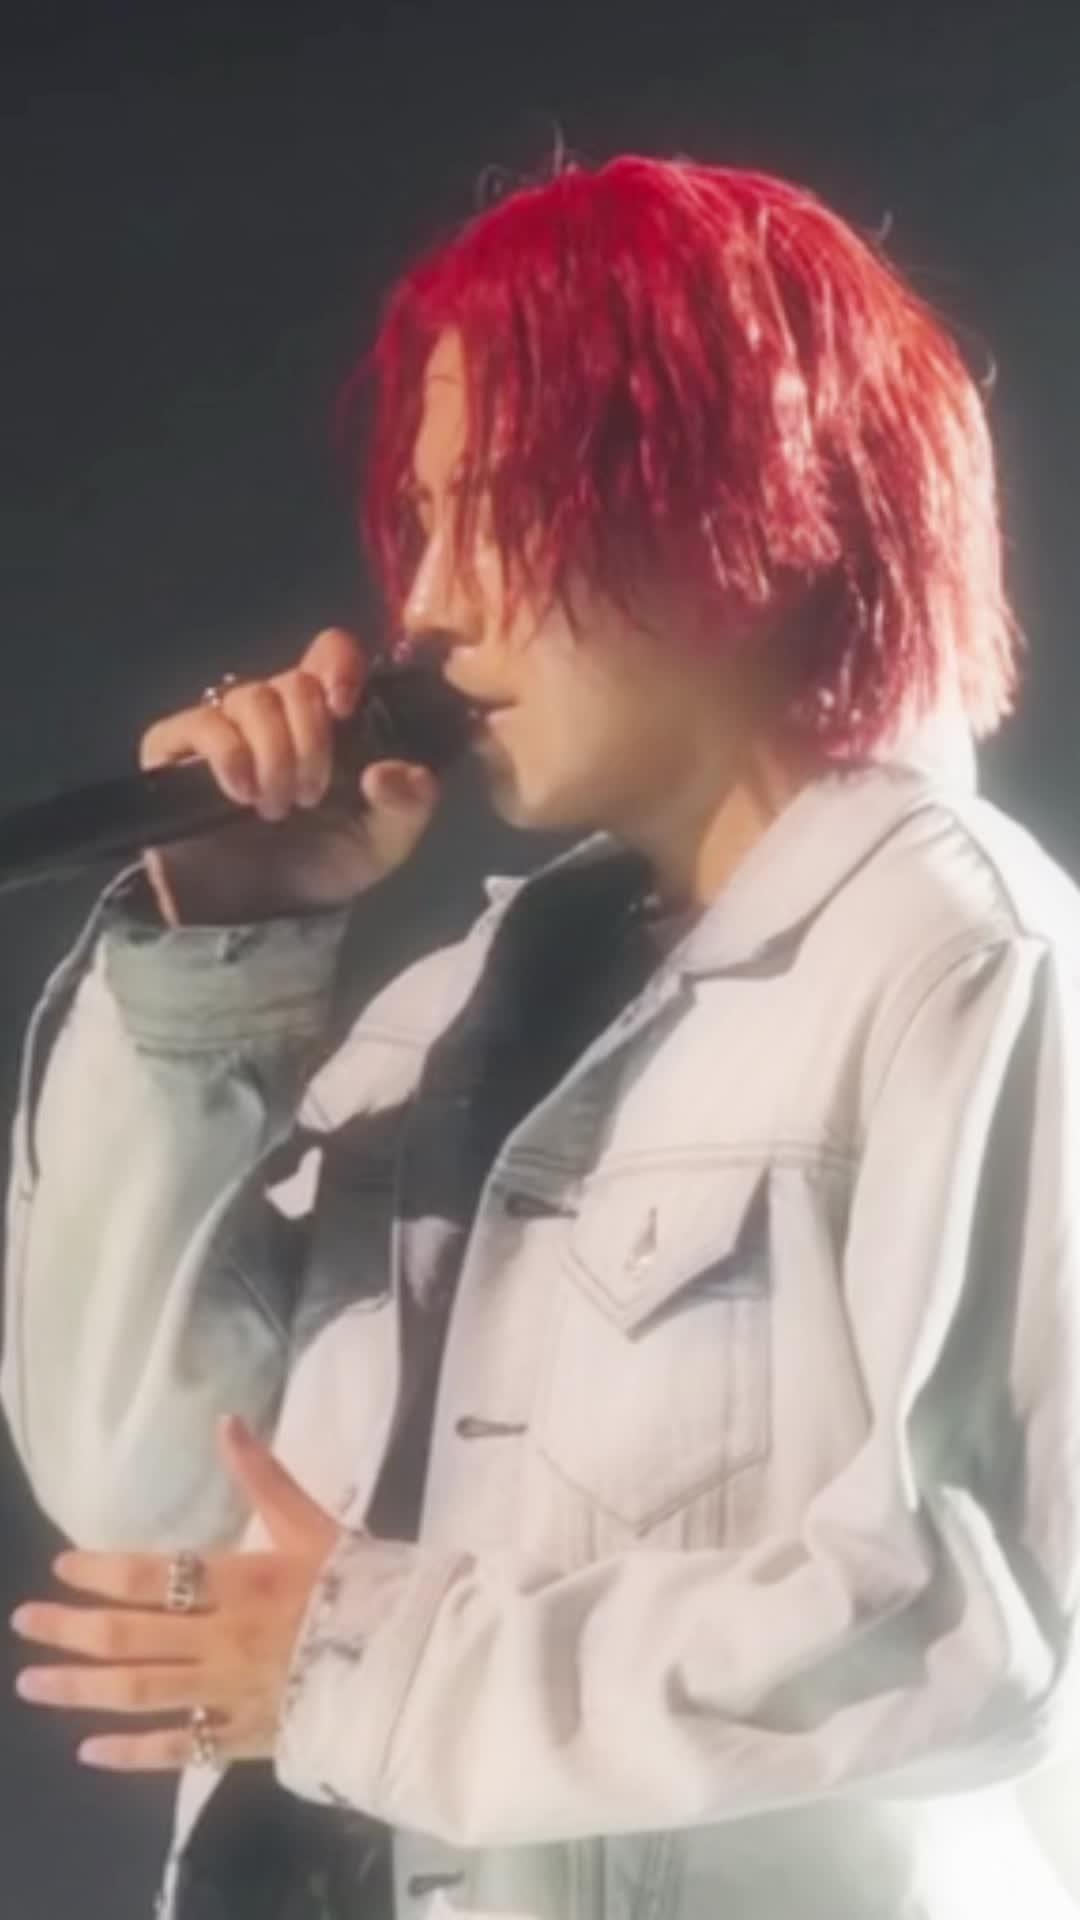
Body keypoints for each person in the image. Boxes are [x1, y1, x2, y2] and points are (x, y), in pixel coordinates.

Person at [4, 154, 1080, 1920]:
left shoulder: (958, 957)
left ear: (754, 497)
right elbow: (144, 1489)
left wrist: (372, 1671)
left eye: (499, 508)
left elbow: (982, 1612)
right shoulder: (446, 1016)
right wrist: (217, 958)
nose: (426, 603)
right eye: (421, 523)